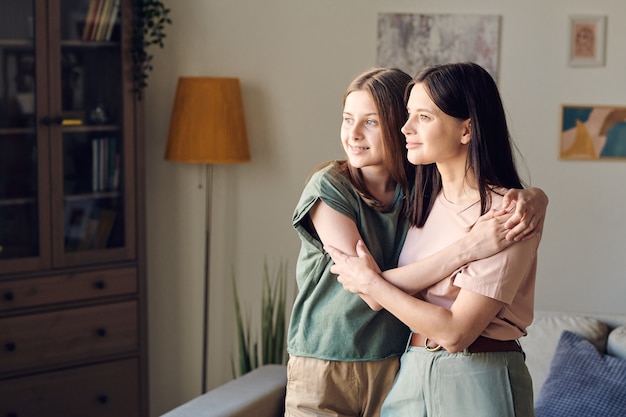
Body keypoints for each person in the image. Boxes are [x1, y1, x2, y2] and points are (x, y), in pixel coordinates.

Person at [285, 67, 547, 417]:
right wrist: (467, 249)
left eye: (421, 117)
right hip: (394, 365)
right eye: (347, 119)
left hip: (460, 367)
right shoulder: (413, 196)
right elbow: (366, 290)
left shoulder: (492, 213)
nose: (406, 129)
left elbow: (454, 332)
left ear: (467, 129)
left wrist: (537, 197)